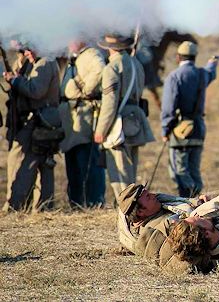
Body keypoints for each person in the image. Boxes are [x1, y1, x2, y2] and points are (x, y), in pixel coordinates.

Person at [94, 34, 155, 200]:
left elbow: (109, 102)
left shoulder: (112, 68)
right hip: (135, 118)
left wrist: (101, 130)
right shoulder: (136, 64)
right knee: (131, 171)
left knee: (120, 174)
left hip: (118, 123)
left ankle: (126, 209)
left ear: (109, 47)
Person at [3, 43, 61, 211]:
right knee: (43, 164)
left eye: (29, 48)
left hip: (39, 123)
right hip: (43, 122)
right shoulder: (37, 61)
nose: (27, 52)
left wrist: (15, 80)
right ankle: (43, 207)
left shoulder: (44, 63)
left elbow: (36, 90)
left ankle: (15, 206)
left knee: (27, 164)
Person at [160, 41, 218, 198]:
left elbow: (168, 107)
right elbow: (210, 73)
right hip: (199, 128)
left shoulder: (174, 77)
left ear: (178, 57)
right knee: (194, 169)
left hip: (181, 130)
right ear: (194, 57)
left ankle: (189, 201)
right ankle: (198, 200)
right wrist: (213, 63)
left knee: (179, 171)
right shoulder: (202, 74)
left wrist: (165, 129)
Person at [59, 40, 107, 208]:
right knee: (73, 166)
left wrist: (86, 90)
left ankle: (93, 202)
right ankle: (77, 203)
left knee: (87, 163)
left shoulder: (92, 54)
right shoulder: (75, 58)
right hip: (72, 121)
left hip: (83, 119)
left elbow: (101, 70)